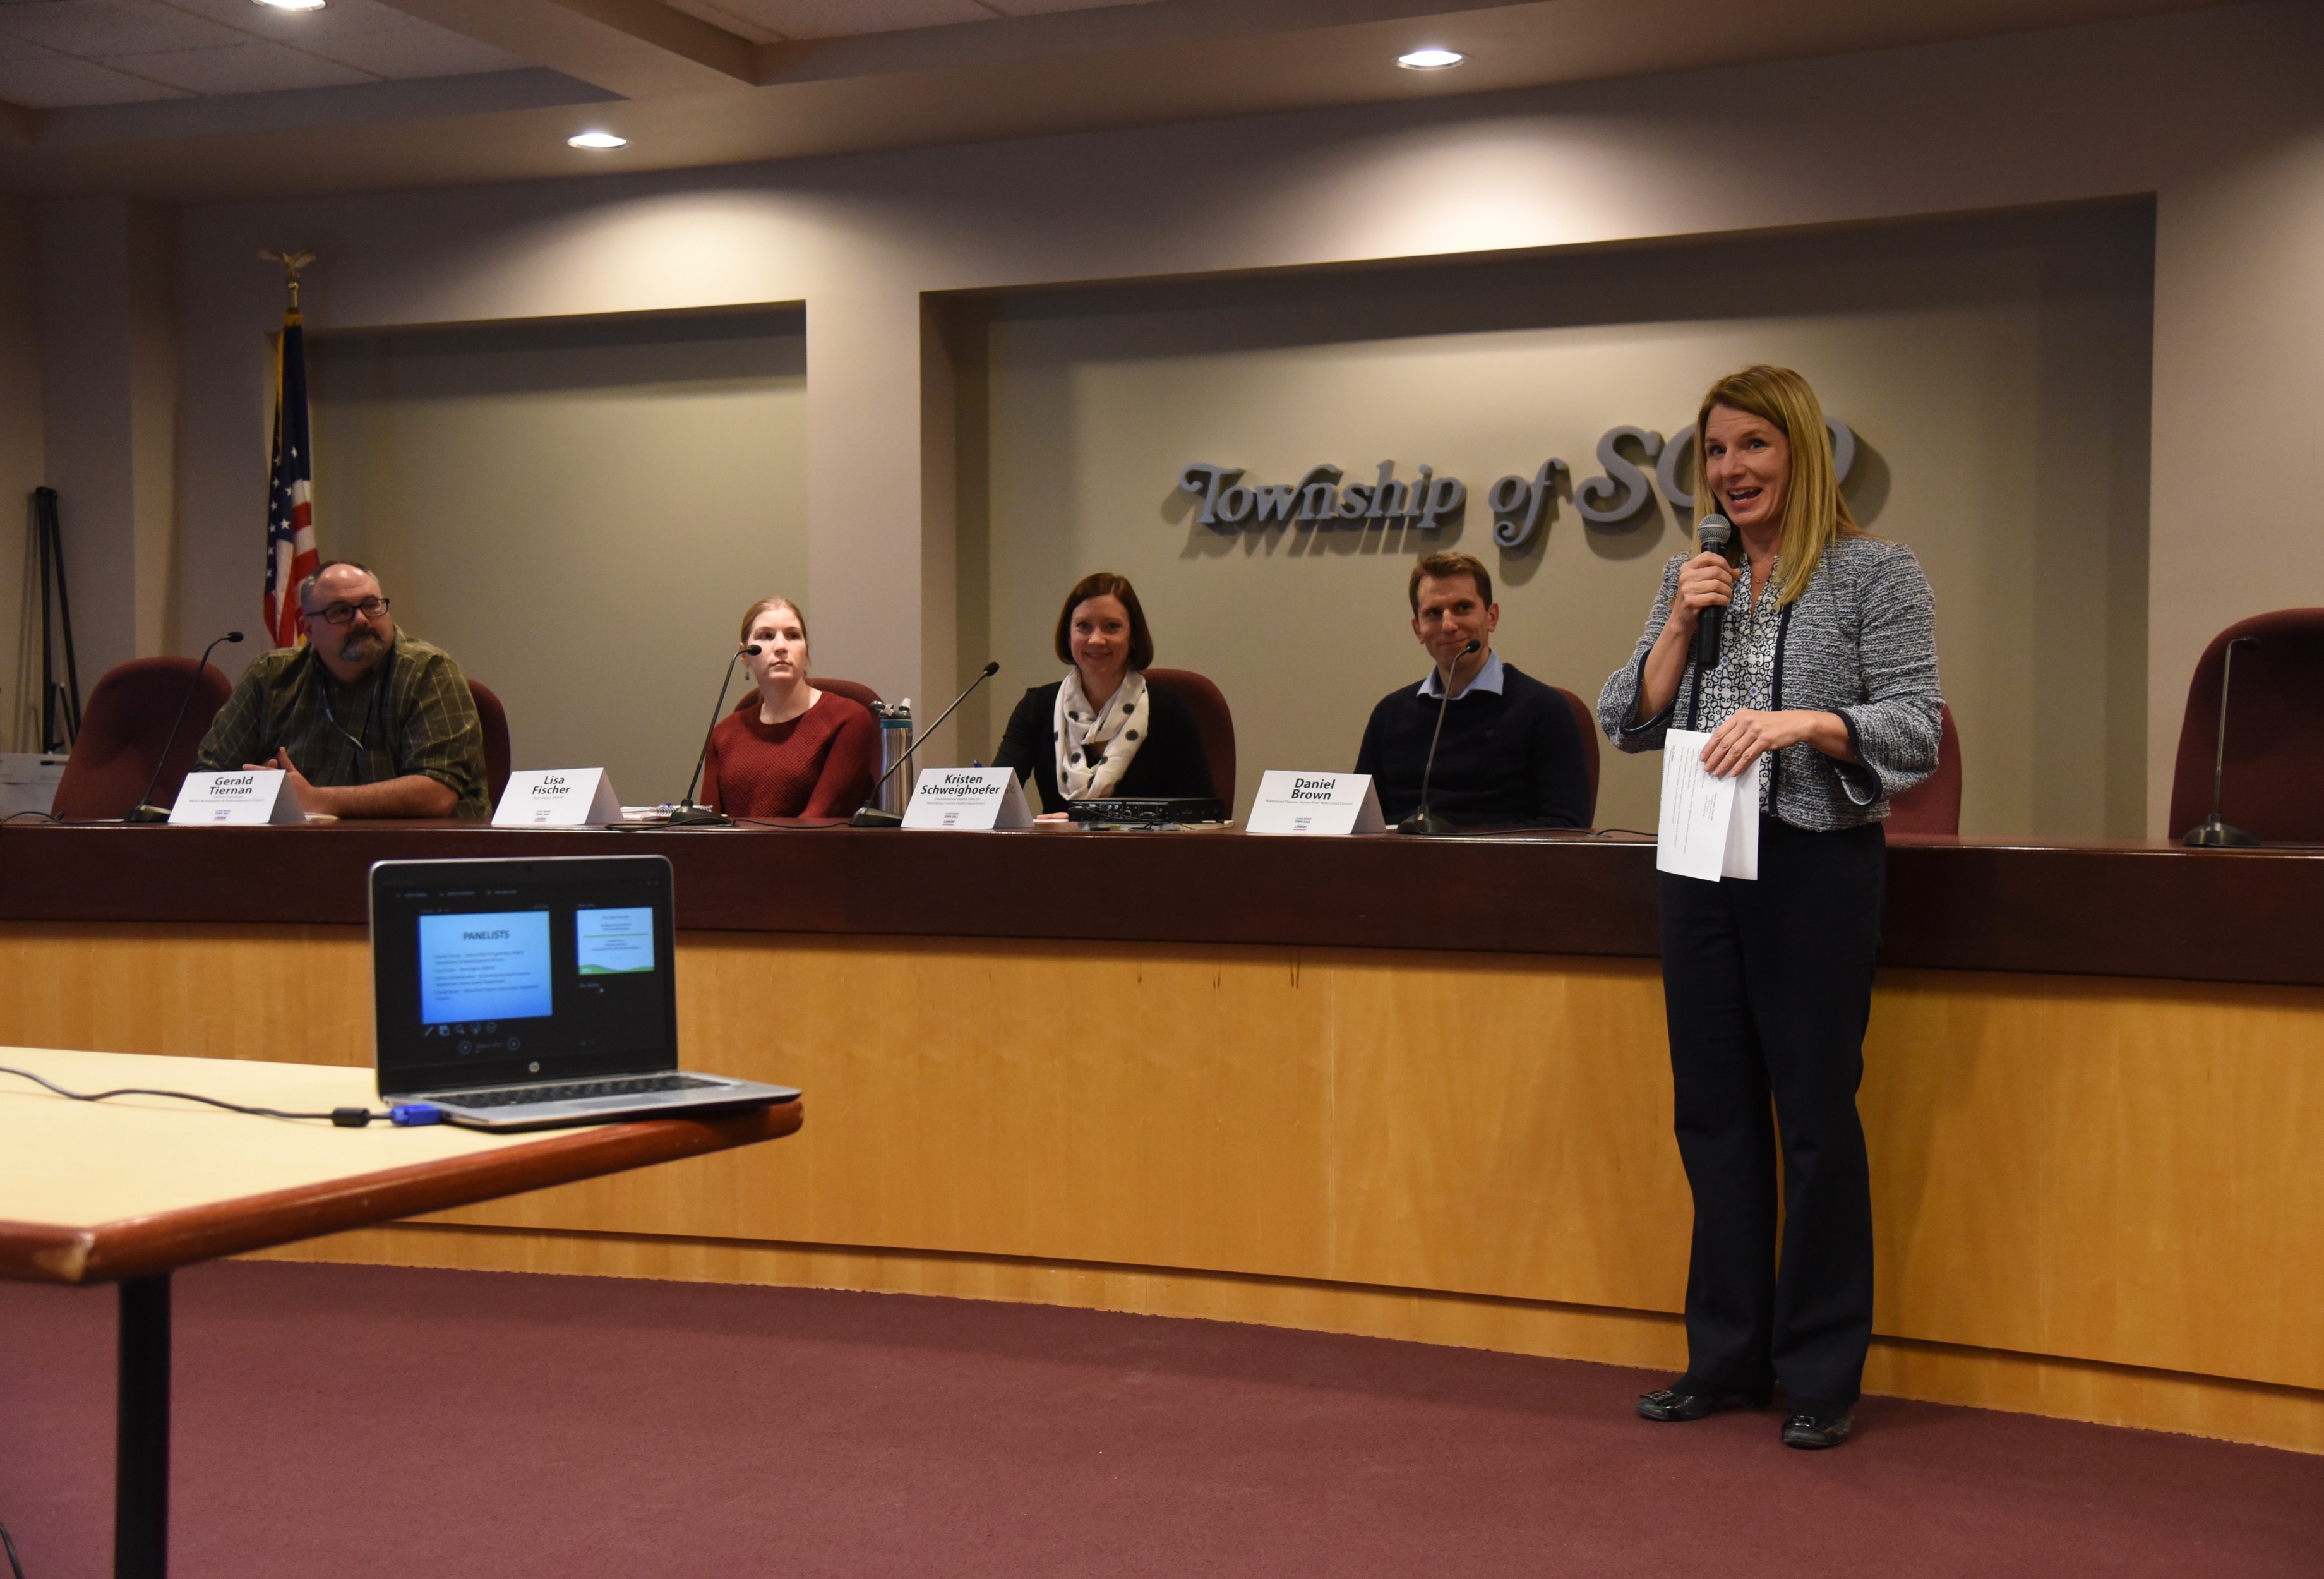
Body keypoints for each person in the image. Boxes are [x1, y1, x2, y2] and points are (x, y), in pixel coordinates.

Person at [1597, 364, 1941, 1450]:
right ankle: (1726, 1357)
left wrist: (1805, 723)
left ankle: (1823, 1370)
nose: (1733, 470)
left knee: (1815, 1119)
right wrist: (1673, 632)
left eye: (1754, 446)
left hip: (1814, 866)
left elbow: (1916, 728)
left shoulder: (1875, 574)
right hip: (1699, 862)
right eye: (1716, 451)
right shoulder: (1694, 575)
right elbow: (1624, 717)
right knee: (1713, 1114)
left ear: (1799, 450)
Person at [195, 560, 488, 819]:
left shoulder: (428, 671)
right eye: (341, 611)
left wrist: (314, 800)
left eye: (371, 605)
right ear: (308, 630)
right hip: (293, 856)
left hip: (411, 857)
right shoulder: (270, 676)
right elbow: (208, 777)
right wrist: (258, 793)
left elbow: (437, 793)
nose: (361, 619)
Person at [1353, 551, 1592, 829]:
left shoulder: (1544, 709)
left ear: (1491, 617)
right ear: (1418, 629)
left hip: (1501, 869)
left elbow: (1567, 826)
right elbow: (1360, 822)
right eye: (1433, 613)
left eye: (1463, 608)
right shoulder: (1389, 714)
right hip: (1400, 867)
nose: (1449, 625)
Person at [994, 572, 1215, 815]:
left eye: (1112, 627)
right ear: (1069, 635)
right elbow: (993, 801)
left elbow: (1202, 817)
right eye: (1083, 626)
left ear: (1133, 637)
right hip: (1058, 853)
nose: (1096, 640)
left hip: (1150, 853)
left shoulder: (1170, 713)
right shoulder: (1036, 708)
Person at [700, 597, 878, 819]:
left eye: (793, 636)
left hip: (813, 852)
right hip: (734, 853)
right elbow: (707, 828)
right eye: (766, 636)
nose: (781, 647)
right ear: (745, 655)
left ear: (806, 653)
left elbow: (817, 821)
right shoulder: (723, 734)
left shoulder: (848, 719)